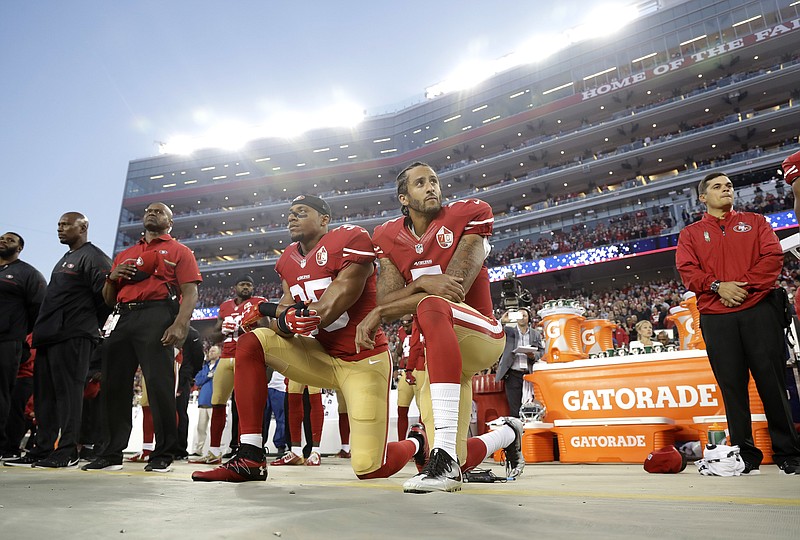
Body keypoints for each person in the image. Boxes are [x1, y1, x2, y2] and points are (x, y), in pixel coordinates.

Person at [192, 194, 426, 483]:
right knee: (252, 341)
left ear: (324, 220)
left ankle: (417, 442)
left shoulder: (350, 240)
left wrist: (268, 308)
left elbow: (324, 313)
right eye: (290, 212)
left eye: (301, 212)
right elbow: (284, 322)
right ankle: (251, 455)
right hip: (320, 355)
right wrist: (278, 319)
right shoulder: (288, 260)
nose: (292, 217)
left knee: (370, 468)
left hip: (362, 360)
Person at [355, 162, 525, 493]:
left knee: (433, 305)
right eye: (420, 183)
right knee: (462, 459)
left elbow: (454, 289)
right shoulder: (388, 236)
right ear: (404, 198)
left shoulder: (469, 214)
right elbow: (385, 299)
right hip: (440, 353)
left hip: (481, 333)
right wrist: (426, 282)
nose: (432, 187)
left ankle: (442, 457)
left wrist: (397, 302)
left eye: (434, 181)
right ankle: (507, 434)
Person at [676, 171, 800, 475]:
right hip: (717, 317)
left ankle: (788, 453)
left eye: (729, 186)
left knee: (772, 383)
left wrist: (738, 287)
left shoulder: (756, 222)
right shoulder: (690, 234)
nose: (726, 189)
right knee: (732, 388)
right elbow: (687, 271)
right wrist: (719, 286)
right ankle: (746, 456)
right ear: (703, 197)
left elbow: (772, 258)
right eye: (717, 187)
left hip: (759, 309)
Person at [82, 202, 201, 474]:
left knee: (159, 386)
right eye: (148, 210)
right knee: (112, 386)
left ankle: (163, 453)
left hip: (158, 314)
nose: (151, 213)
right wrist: (111, 279)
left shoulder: (179, 251)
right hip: (123, 316)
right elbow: (109, 299)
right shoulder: (125, 253)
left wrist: (180, 324)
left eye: (159, 211)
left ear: (170, 222)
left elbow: (190, 292)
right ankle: (110, 452)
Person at [6, 213, 111, 468]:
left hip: (74, 334)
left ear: (83, 227)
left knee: (69, 395)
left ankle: (68, 450)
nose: (60, 229)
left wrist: (89, 328)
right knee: (45, 397)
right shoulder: (65, 259)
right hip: (49, 337)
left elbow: (106, 300)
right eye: (58, 225)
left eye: (66, 224)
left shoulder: (94, 257)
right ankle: (43, 449)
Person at [192, 277, 267, 465]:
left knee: (245, 404)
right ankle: (214, 451)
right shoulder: (225, 307)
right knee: (217, 402)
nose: (246, 287)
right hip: (226, 357)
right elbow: (214, 335)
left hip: (247, 356)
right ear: (236, 287)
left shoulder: (258, 303)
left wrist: (245, 327)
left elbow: (267, 328)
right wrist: (224, 331)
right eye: (242, 284)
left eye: (249, 284)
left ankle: (245, 449)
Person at [0, 232, 46, 460]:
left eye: (10, 240)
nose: (3, 241)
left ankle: (4, 446)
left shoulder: (27, 273)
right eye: (1, 238)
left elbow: (38, 309)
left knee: (3, 395)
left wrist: (18, 332)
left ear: (20, 248)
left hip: (8, 342)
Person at [495, 307, 543, 418]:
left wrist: (533, 356)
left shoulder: (535, 334)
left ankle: (528, 430)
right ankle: (518, 432)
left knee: (530, 405)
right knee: (514, 407)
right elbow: (495, 331)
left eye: (524, 316)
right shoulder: (508, 331)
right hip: (512, 374)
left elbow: (541, 351)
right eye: (519, 315)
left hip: (529, 374)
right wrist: (502, 321)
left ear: (529, 319)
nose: (521, 318)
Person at [193, 345, 220, 457]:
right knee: (201, 428)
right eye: (210, 351)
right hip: (203, 401)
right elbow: (198, 380)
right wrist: (208, 376)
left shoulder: (220, 366)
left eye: (214, 351)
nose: (211, 353)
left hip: (215, 401)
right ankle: (198, 449)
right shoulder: (205, 367)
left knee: (215, 427)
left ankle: (215, 450)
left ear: (219, 354)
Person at [262, 369, 287, 456]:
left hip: (280, 385)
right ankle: (259, 445)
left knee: (281, 419)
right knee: (262, 419)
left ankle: (281, 446)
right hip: (264, 384)